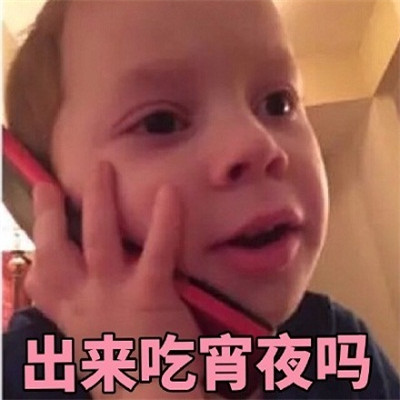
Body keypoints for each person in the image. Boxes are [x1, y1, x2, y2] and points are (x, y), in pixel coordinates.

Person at [3, 0, 399, 399]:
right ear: (49, 201)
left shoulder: (338, 348)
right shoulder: (26, 369)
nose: (258, 143)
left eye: (278, 103)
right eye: (161, 122)